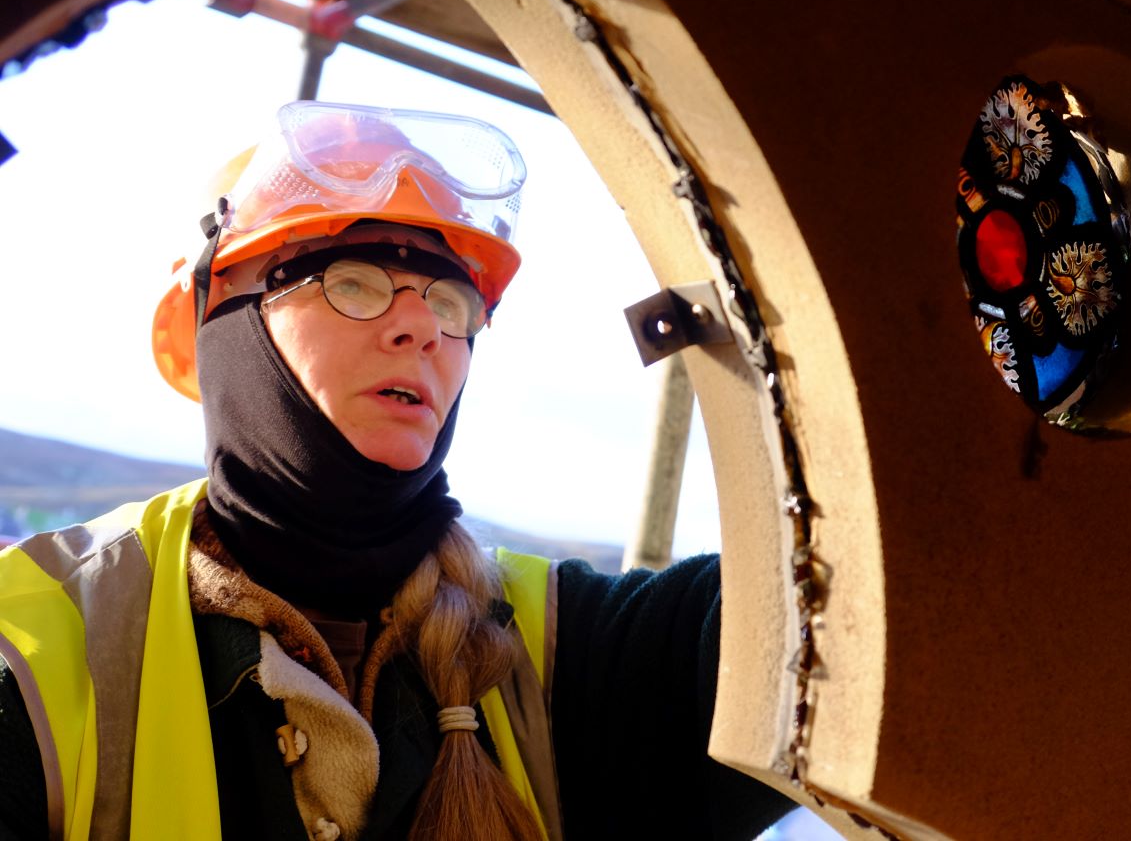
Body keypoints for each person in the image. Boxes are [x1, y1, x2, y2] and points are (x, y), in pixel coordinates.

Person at [0, 102, 794, 840]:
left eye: (450, 300)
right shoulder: (34, 648)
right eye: (352, 281)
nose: (419, 325)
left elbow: (830, 602)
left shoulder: (562, 655)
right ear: (218, 316)